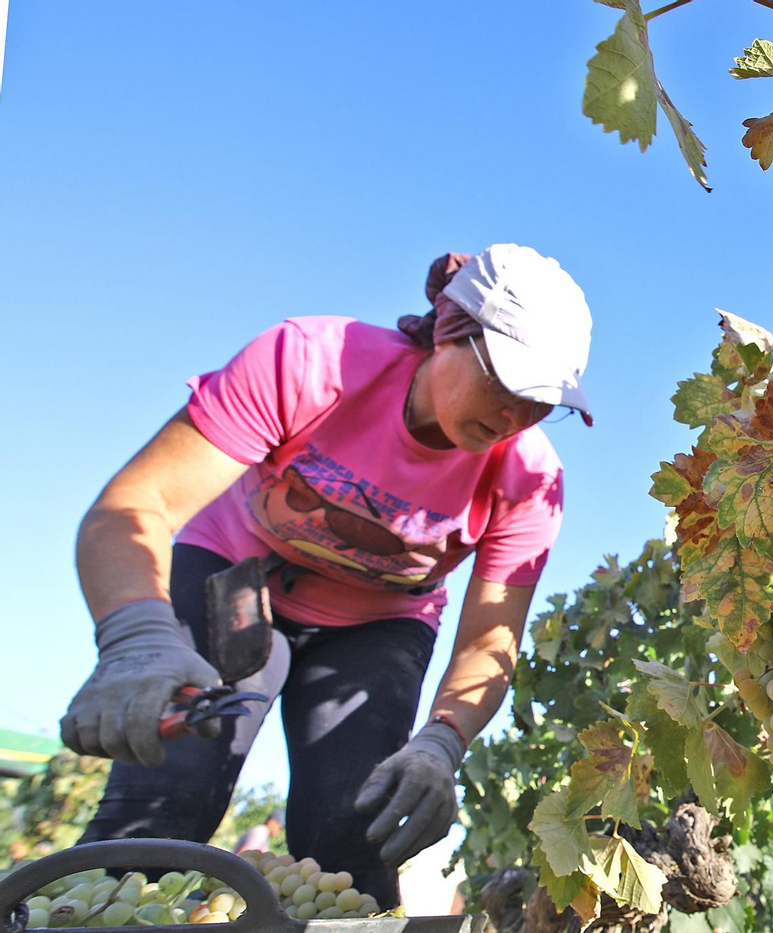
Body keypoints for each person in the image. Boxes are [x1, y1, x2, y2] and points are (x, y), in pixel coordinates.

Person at [58, 244, 592, 908]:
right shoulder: (308, 363)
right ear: (451, 331)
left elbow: (489, 639)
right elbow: (134, 506)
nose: (514, 416)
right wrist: (137, 637)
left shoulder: (529, 479)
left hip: (378, 623)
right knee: (165, 802)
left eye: (540, 402)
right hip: (235, 576)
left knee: (355, 831)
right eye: (504, 383)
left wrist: (441, 742)